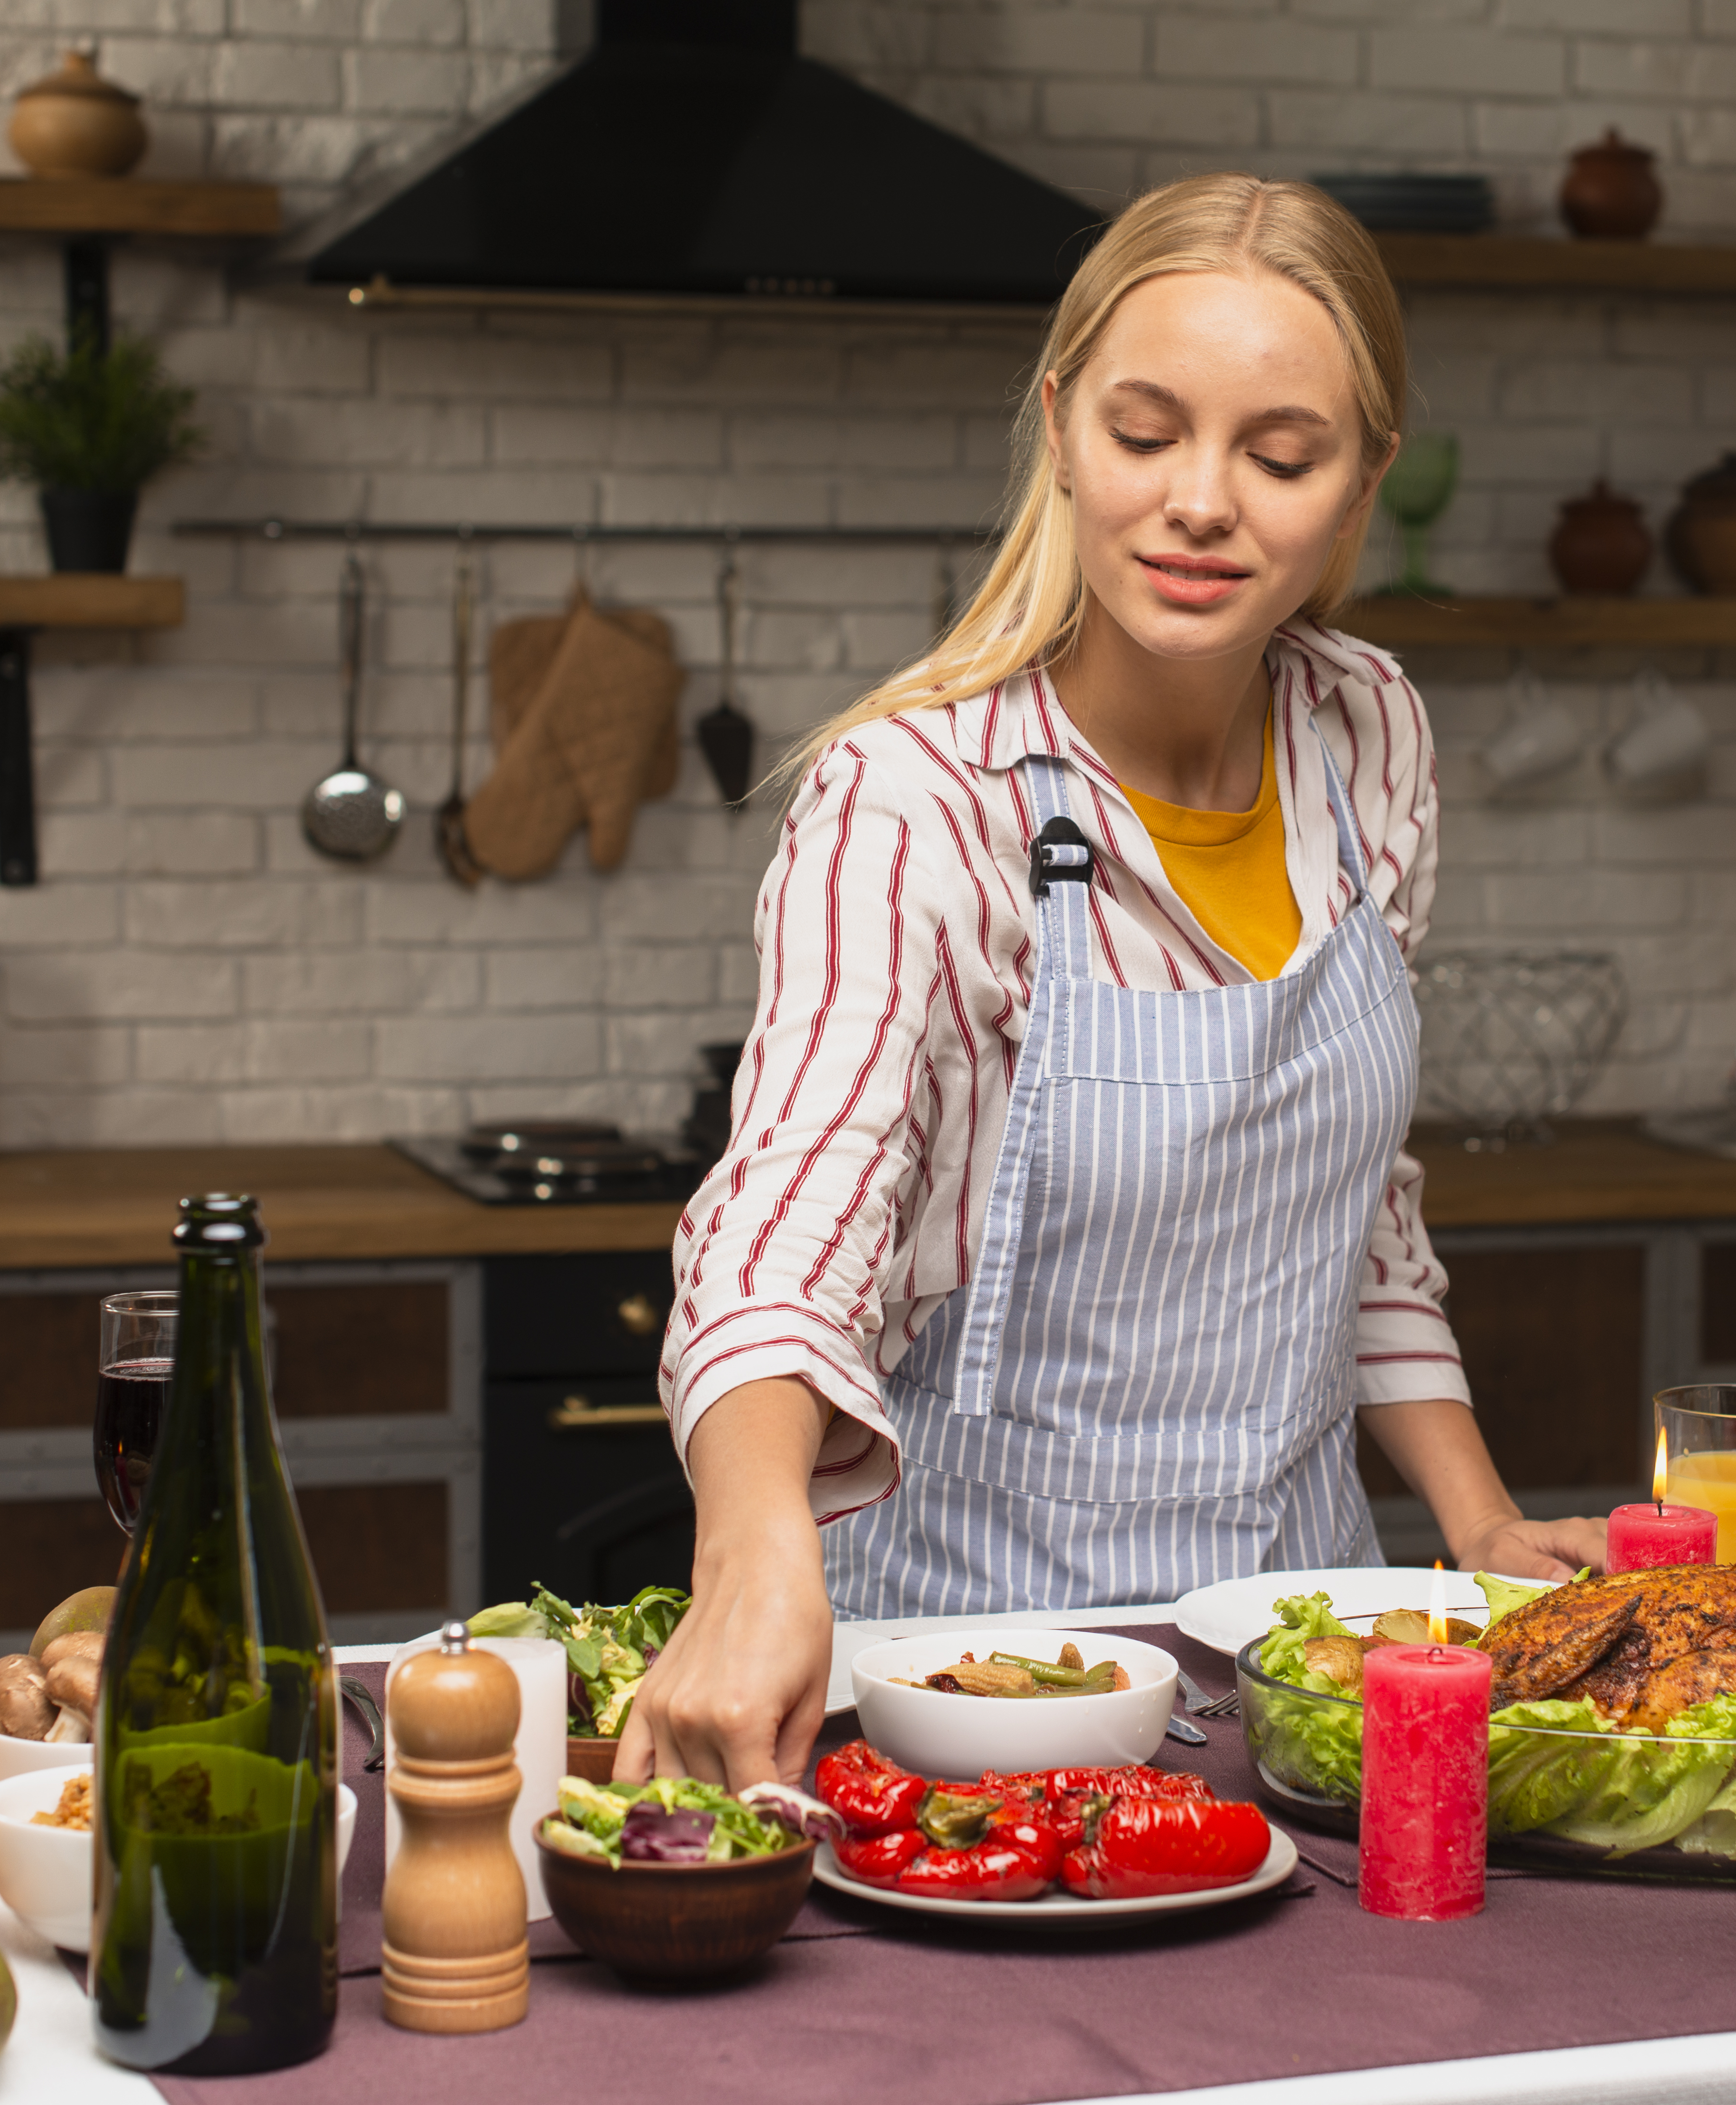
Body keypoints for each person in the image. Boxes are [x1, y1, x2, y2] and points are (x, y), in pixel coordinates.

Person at [625, 174, 1605, 1791]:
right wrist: (748, 1554)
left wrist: (1480, 1519)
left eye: (1280, 456)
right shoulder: (919, 797)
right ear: (1061, 429)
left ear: (1361, 486)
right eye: (1145, 435)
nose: (1201, 502)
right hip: (965, 1672)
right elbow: (789, 1221)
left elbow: (1351, 1203)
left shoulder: (1367, 736)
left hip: (1305, 1658)